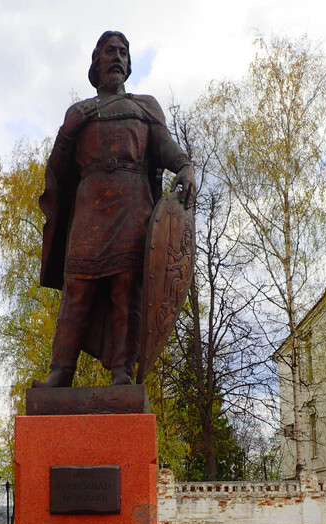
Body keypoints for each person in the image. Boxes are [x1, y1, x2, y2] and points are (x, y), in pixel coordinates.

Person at [34, 30, 196, 388]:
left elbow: (165, 146)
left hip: (133, 209)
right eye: (111, 51)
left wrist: (184, 166)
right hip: (90, 210)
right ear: (97, 62)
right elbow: (58, 169)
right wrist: (68, 131)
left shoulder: (144, 107)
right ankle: (60, 372)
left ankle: (122, 372)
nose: (118, 57)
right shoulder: (79, 112)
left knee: (127, 290)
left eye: (123, 52)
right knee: (77, 290)